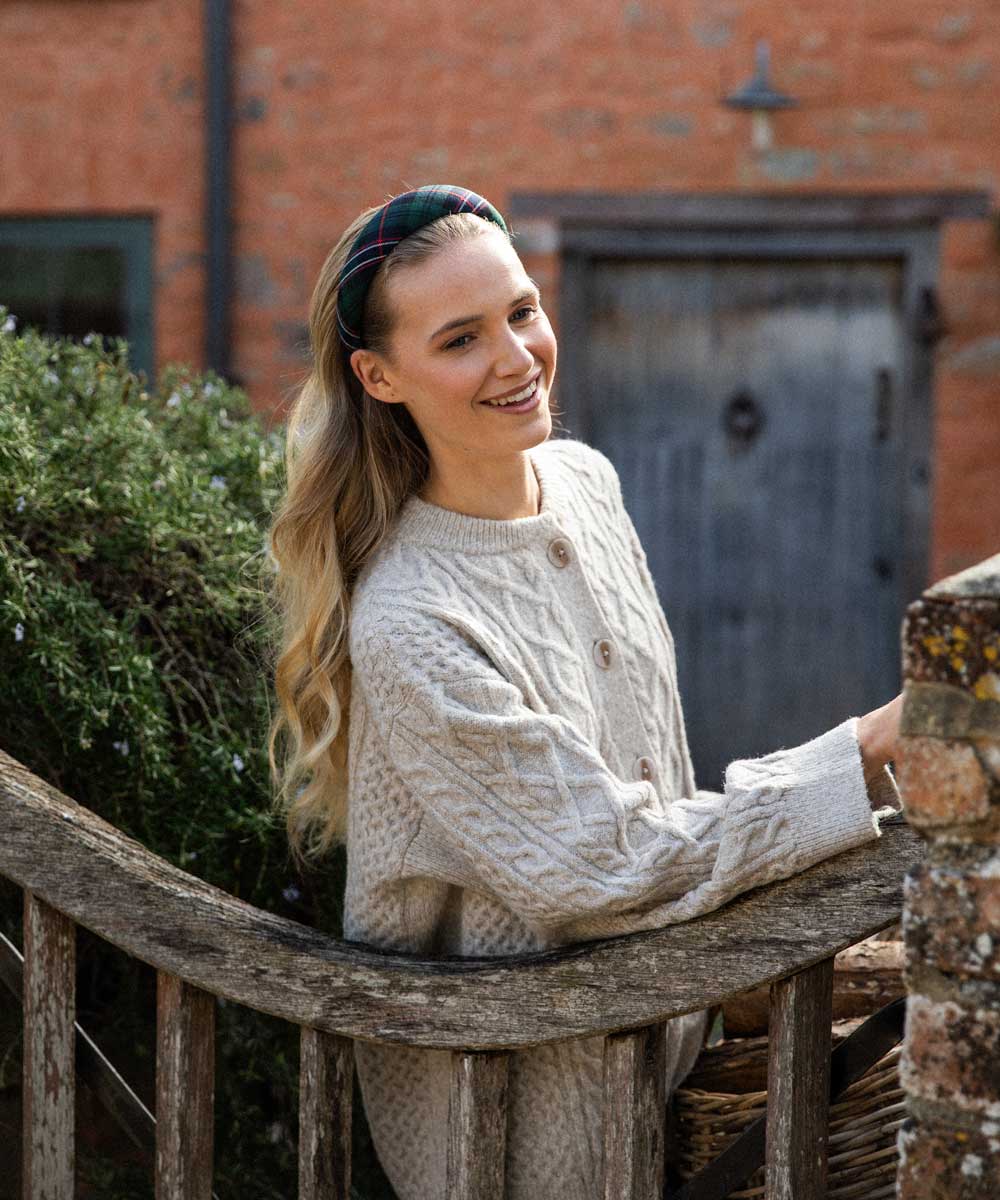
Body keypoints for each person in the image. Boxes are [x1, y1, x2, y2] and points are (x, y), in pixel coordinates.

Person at [265, 184, 904, 1200]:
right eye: (461, 339)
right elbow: (597, 862)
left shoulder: (585, 484)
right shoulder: (411, 623)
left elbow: (649, 782)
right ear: (380, 376)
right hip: (519, 1113)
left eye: (521, 312)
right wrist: (863, 751)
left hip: (669, 1031)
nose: (517, 359)